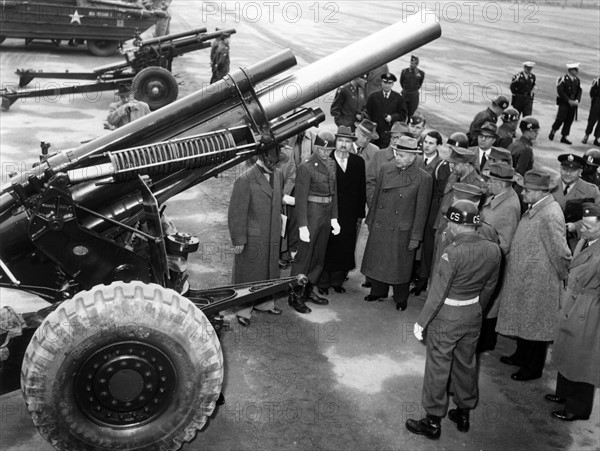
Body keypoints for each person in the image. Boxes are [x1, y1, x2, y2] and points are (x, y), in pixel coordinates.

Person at [406, 200, 501, 439]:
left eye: (450, 220)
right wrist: (476, 309)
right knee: (466, 364)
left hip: (447, 317)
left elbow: (437, 292)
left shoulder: (453, 253)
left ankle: (432, 421)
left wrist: (422, 321)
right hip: (473, 315)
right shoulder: (493, 249)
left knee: (438, 368)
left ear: (456, 225)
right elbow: (490, 287)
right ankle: (463, 412)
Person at [496, 170, 571, 381]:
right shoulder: (538, 208)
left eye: (527, 190)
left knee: (537, 326)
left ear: (540, 192)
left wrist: (561, 277)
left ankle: (532, 368)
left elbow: (561, 252)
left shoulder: (550, 214)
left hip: (540, 281)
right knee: (525, 320)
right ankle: (521, 356)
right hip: (527, 277)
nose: (522, 194)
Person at [361, 136, 432, 310]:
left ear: (412, 156)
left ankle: (401, 298)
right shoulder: (386, 169)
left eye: (401, 155)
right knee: (379, 259)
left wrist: (415, 237)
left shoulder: (423, 178)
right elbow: (377, 196)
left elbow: (422, 211)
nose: (397, 158)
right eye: (396, 154)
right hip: (381, 224)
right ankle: (378, 291)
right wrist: (370, 220)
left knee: (400, 265)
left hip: (403, 229)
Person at [547, 203, 600, 422]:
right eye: (583, 226)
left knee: (582, 360)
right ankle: (564, 394)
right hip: (573, 302)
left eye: (589, 227)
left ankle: (578, 408)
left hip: (588, 310)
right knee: (567, 351)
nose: (583, 231)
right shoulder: (587, 241)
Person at [228, 153, 285, 327]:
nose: (273, 165)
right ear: (260, 158)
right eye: (270, 161)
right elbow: (236, 213)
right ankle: (243, 309)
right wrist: (238, 239)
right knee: (249, 274)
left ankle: (265, 303)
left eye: (276, 162)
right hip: (253, 237)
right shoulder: (245, 179)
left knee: (268, 271)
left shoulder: (278, 174)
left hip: (272, 233)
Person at [289, 131, 340, 314]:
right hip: (311, 214)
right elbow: (301, 198)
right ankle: (295, 295)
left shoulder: (333, 165)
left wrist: (334, 218)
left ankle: (308, 290)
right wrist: (302, 225)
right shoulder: (307, 166)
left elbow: (334, 194)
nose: (326, 153)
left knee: (319, 256)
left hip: (325, 215)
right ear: (316, 148)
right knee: (304, 258)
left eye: (329, 150)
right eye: (322, 150)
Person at [477, 163, 521, 353]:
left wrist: (487, 258)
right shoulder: (500, 197)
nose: (488, 184)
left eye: (491, 180)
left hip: (492, 260)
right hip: (486, 255)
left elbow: (506, 241)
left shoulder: (509, 206)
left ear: (501, 183)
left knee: (491, 302)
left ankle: (486, 342)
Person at [318, 126, 366, 294]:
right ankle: (323, 282)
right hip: (328, 211)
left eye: (347, 141)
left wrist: (360, 214)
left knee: (344, 246)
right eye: (340, 141)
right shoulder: (326, 160)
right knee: (327, 245)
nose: (343, 145)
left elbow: (361, 190)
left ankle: (337, 281)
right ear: (335, 142)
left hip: (349, 213)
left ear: (351, 143)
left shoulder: (358, 162)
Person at [413, 130, 449, 295]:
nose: (426, 146)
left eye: (431, 143)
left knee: (427, 246)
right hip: (413, 208)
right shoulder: (416, 159)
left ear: (438, 146)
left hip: (430, 212)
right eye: (425, 142)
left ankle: (422, 278)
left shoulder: (441, 166)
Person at [552, 153, 600, 250]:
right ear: (560, 168)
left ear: (580, 171)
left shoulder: (591, 191)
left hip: (575, 243)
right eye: (565, 169)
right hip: (550, 236)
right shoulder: (549, 186)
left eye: (573, 170)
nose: (568, 173)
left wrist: (576, 226)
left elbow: (597, 219)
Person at [365, 121, 407, 207]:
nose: (394, 141)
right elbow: (369, 181)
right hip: (380, 207)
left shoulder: (416, 159)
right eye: (392, 137)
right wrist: (373, 203)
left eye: (398, 137)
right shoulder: (379, 155)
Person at [364, 72, 406, 149]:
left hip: (389, 135)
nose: (387, 85)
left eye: (389, 83)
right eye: (385, 82)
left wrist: (392, 117)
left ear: (392, 84)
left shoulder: (398, 98)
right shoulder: (373, 97)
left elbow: (403, 115)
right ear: (381, 82)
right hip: (374, 134)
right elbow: (367, 113)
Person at [549, 63, 582, 145]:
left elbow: (579, 91)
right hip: (564, 102)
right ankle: (553, 130)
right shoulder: (563, 79)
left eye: (576, 70)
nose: (576, 71)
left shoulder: (577, 80)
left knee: (569, 120)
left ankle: (564, 136)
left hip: (573, 103)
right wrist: (568, 100)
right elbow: (560, 91)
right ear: (570, 70)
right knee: (560, 118)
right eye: (575, 70)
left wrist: (577, 100)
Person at [400, 55, 425, 119]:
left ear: (417, 64)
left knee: (411, 113)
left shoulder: (421, 73)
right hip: (405, 94)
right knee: (403, 112)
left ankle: (409, 124)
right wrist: (405, 89)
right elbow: (401, 82)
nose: (412, 64)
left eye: (414, 63)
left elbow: (420, 83)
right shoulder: (404, 71)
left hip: (414, 96)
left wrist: (413, 90)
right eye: (411, 63)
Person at [582, 76, 600, 146]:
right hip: (597, 102)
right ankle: (586, 135)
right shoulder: (597, 81)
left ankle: (597, 138)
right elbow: (592, 93)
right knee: (592, 120)